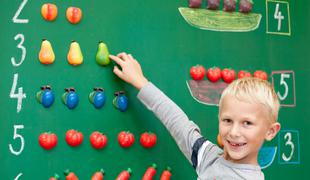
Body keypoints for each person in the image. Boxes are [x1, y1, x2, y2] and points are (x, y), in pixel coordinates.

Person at [109, 52, 281, 180]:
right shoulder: (210, 158)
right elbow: (179, 123)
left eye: (247, 123)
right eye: (228, 120)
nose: (234, 132)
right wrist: (140, 81)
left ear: (270, 131)